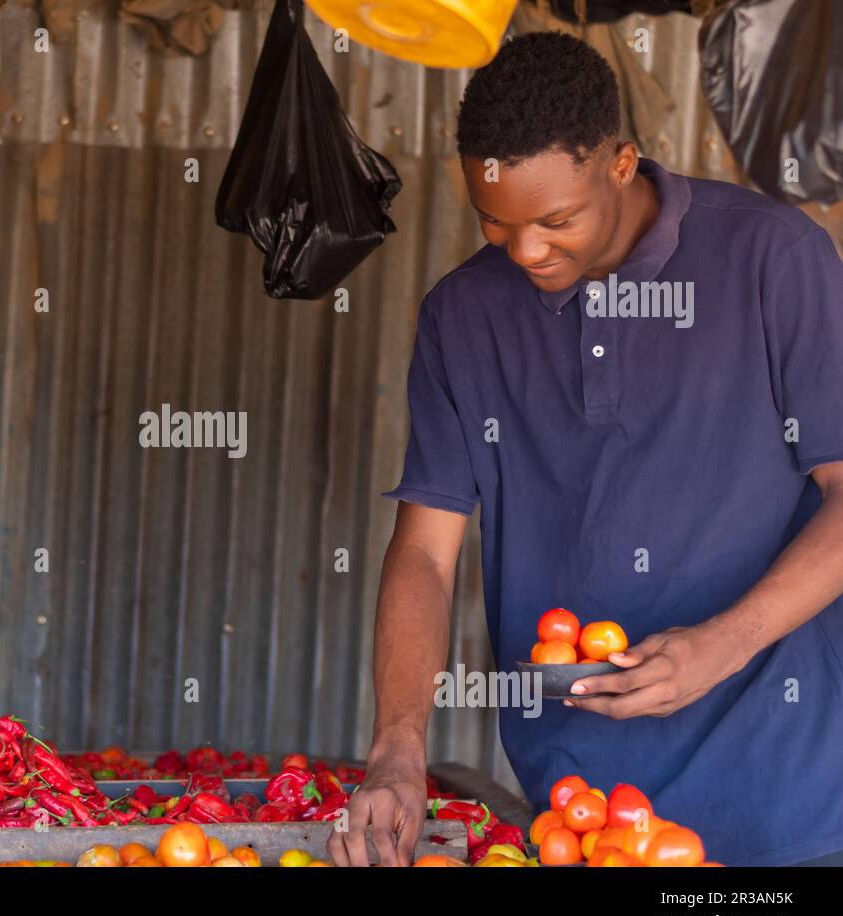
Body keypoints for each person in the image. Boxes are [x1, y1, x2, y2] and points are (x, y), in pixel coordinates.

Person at [329, 30, 843, 868]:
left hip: (789, 803)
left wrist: (724, 643)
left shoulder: (774, 259)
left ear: (621, 164)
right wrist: (397, 748)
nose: (527, 251)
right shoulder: (464, 317)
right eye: (495, 222)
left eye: (556, 220)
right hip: (577, 811)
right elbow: (425, 550)